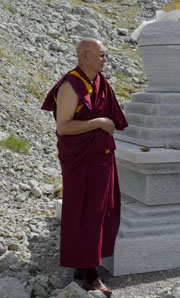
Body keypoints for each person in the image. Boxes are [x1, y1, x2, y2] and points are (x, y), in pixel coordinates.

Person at [41, 38, 128, 297]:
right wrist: (99, 121)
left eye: (106, 54)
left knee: (101, 211)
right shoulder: (71, 85)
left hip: (101, 156)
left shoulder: (99, 82)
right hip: (81, 160)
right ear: (84, 55)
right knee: (85, 211)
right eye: (101, 54)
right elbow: (64, 127)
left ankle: (83, 265)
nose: (105, 58)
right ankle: (90, 273)